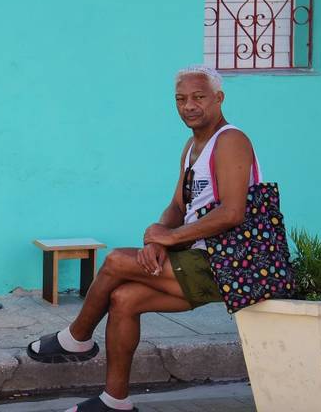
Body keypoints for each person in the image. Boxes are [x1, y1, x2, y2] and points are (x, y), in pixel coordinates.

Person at [26, 66, 260, 412]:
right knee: (124, 298)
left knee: (118, 259)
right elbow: (177, 206)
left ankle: (77, 338)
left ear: (218, 98)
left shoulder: (231, 141)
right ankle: (115, 401)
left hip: (230, 265)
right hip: (197, 259)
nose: (189, 106)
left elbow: (232, 213)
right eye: (181, 99)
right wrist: (157, 240)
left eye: (198, 97)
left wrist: (170, 237)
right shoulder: (193, 146)